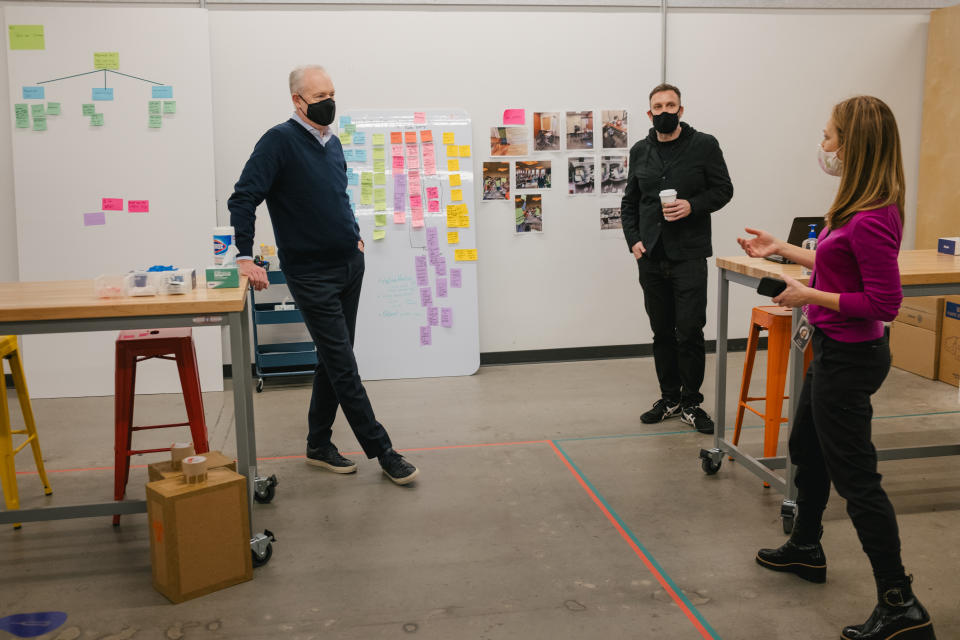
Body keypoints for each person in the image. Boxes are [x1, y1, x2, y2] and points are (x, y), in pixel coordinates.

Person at [739, 96, 935, 640]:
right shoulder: (855, 206)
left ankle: (899, 603)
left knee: (858, 480)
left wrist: (811, 297)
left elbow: (883, 303)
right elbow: (834, 263)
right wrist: (781, 248)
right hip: (832, 349)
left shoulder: (874, 216)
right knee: (807, 448)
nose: (823, 146)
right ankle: (806, 547)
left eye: (829, 137)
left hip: (853, 358)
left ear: (854, 145)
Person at [227, 65, 419, 486]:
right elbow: (243, 198)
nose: (329, 101)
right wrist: (243, 256)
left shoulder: (331, 143)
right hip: (311, 273)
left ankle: (317, 444)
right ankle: (382, 450)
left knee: (333, 360)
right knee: (344, 364)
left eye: (332, 92)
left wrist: (356, 239)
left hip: (349, 265)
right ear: (298, 101)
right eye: (319, 96)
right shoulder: (278, 141)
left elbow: (337, 196)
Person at [620, 83, 733, 434]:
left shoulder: (704, 145)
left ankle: (691, 402)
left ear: (681, 110)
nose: (665, 111)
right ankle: (669, 398)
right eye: (658, 106)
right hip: (651, 256)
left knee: (689, 331)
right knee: (662, 332)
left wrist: (692, 205)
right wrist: (634, 240)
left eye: (671, 105)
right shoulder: (640, 150)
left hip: (689, 255)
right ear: (649, 112)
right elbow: (630, 201)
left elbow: (723, 189)